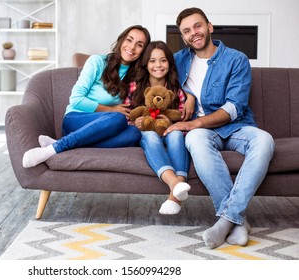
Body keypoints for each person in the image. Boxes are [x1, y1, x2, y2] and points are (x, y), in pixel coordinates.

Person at [165, 7, 275, 249]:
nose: (193, 33)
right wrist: (188, 93)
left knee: (264, 140)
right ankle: (238, 221)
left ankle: (226, 220)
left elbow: (234, 107)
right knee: (194, 139)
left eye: (197, 26)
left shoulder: (236, 59)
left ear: (209, 26)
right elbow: (158, 81)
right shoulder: (178, 60)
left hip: (237, 127)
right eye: (186, 31)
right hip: (203, 134)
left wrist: (193, 122)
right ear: (183, 37)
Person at [22, 25, 151, 168]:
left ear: (143, 52)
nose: (132, 47)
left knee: (133, 134)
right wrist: (110, 110)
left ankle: (64, 143)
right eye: (129, 40)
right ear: (121, 40)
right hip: (76, 119)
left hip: (101, 128)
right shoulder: (97, 62)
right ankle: (54, 148)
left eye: (139, 45)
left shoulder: (135, 76)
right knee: (117, 117)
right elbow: (76, 99)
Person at [129, 41, 195, 215]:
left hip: (169, 131)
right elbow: (127, 115)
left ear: (169, 63)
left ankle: (175, 193)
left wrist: (171, 123)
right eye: (152, 61)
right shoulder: (135, 87)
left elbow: (183, 118)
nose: (158, 65)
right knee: (149, 136)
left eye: (163, 60)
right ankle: (175, 184)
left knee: (176, 135)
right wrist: (135, 123)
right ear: (145, 64)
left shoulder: (177, 90)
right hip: (147, 133)